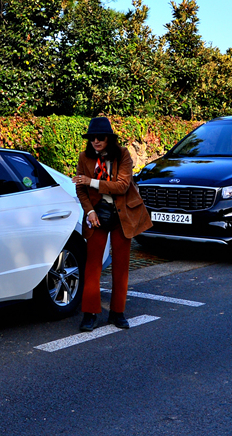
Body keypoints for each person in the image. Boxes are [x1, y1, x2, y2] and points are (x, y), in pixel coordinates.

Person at [71, 117, 153, 332]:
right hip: (97, 215)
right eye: (92, 138)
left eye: (100, 137)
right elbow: (80, 189)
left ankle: (118, 312)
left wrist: (91, 181)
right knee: (92, 266)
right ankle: (90, 314)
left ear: (109, 139)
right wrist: (89, 211)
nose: (96, 141)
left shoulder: (123, 154)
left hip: (122, 215)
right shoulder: (84, 158)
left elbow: (122, 186)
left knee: (121, 266)